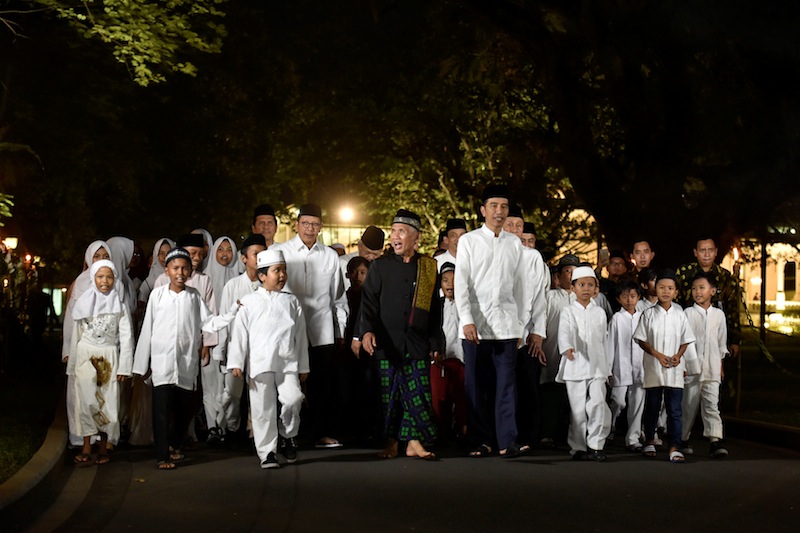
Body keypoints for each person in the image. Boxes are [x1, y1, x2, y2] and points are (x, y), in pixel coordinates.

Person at [454, 184, 530, 458]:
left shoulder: (514, 244)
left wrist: (521, 324)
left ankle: (507, 440)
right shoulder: (470, 241)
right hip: (476, 324)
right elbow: (461, 283)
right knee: (476, 386)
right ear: (483, 210)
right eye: (494, 206)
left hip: (508, 325)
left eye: (504, 207)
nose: (499, 212)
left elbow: (521, 288)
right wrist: (467, 319)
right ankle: (480, 440)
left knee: (507, 385)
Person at [360, 209, 442, 459]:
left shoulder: (428, 268)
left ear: (416, 238)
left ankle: (413, 442)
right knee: (390, 397)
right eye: (393, 231)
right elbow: (369, 303)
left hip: (416, 343)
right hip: (387, 343)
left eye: (401, 232)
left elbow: (436, 311)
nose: (395, 236)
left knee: (417, 393)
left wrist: (436, 341)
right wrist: (366, 332)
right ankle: (392, 441)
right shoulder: (380, 267)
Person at [227, 249, 309, 469]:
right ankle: (267, 453)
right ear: (262, 275)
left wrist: (303, 364)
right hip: (259, 362)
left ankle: (288, 435)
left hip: (287, 362)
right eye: (276, 271)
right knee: (262, 409)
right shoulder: (249, 301)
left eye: (284, 270)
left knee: (293, 399)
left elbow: (300, 336)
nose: (282, 275)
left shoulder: (292, 302)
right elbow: (240, 333)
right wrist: (236, 362)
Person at [133, 248, 214, 470]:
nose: (180, 272)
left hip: (186, 362)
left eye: (184, 268)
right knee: (160, 409)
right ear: (167, 270)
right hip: (162, 362)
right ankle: (162, 456)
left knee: (185, 407)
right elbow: (147, 328)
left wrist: (233, 314)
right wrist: (141, 365)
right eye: (175, 268)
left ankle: (174, 443)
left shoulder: (194, 296)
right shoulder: (157, 295)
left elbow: (209, 322)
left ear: (190, 271)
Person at [275, 203, 347, 448]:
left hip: (321, 328)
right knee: (288, 382)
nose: (309, 228)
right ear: (297, 225)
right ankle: (288, 435)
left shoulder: (329, 255)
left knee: (321, 384)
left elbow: (337, 296)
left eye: (314, 224)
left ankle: (319, 433)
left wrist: (340, 330)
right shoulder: (282, 252)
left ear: (321, 227)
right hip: (289, 328)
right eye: (305, 223)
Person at [67, 260, 134, 465]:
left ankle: (103, 446)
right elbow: (76, 335)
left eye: (109, 277)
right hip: (86, 357)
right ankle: (87, 446)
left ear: (114, 279)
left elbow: (127, 337)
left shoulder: (119, 306)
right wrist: (73, 365)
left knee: (107, 402)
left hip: (109, 357)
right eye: (100, 276)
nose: (104, 281)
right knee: (87, 401)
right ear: (93, 278)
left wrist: (124, 366)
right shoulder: (82, 304)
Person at [634, 269, 695, 463]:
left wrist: (678, 355)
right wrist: (657, 355)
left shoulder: (680, 314)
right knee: (652, 405)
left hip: (674, 369)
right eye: (661, 287)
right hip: (654, 367)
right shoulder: (648, 314)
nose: (666, 291)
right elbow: (641, 339)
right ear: (655, 289)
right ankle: (650, 440)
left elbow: (687, 338)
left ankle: (675, 446)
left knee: (674, 409)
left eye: (670, 288)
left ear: (676, 292)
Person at [213, 234, 267, 441]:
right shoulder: (233, 286)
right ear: (244, 258)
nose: (260, 258)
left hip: (260, 349)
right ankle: (231, 428)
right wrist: (221, 352)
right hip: (236, 348)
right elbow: (225, 319)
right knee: (232, 393)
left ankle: (255, 433)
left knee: (259, 393)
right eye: (256, 254)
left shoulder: (268, 285)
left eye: (264, 254)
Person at [556, 266, 611, 461]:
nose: (586, 288)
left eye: (590, 284)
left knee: (598, 403)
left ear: (596, 288)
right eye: (581, 285)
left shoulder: (600, 313)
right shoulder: (568, 311)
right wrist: (567, 346)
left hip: (597, 366)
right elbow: (565, 331)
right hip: (575, 364)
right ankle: (578, 446)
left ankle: (596, 444)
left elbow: (605, 341)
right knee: (577, 409)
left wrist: (607, 368)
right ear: (573, 288)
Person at [62, 240, 113, 448]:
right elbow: (70, 320)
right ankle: (79, 436)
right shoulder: (81, 283)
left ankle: (101, 439)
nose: (100, 261)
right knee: (80, 393)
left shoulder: (113, 282)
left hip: (105, 349)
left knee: (102, 395)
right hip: (82, 347)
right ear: (88, 258)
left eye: (105, 257)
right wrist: (67, 349)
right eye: (96, 257)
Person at [681, 272, 729, 458]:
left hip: (712, 368)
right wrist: (684, 367)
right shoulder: (688, 313)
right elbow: (683, 341)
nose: (697, 292)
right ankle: (682, 438)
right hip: (692, 369)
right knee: (689, 405)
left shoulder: (719, 315)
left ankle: (715, 440)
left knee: (711, 404)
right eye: (694, 288)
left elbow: (720, 342)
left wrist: (720, 367)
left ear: (712, 291)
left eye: (702, 288)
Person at [676, 237, 741, 361]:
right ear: (695, 252)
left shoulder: (724, 276)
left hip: (717, 333)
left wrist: (735, 340)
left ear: (716, 251)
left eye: (710, 250)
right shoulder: (684, 274)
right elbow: (676, 303)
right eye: (702, 250)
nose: (706, 254)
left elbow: (732, 308)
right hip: (689, 331)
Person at [538, 254, 580, 448]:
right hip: (552, 353)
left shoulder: (587, 302)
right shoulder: (550, 297)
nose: (571, 276)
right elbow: (540, 324)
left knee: (573, 397)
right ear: (559, 275)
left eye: (575, 272)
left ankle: (571, 436)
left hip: (578, 358)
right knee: (552, 394)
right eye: (567, 271)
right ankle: (547, 433)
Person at [430, 262, 467, 443]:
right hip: (440, 359)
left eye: (453, 280)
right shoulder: (436, 305)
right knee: (439, 397)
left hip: (461, 358)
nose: (449, 284)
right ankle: (440, 432)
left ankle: (463, 430)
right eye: (445, 280)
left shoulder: (466, 305)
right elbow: (431, 329)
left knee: (460, 396)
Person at [607, 280, 646, 452]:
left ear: (638, 297)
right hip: (620, 367)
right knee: (618, 401)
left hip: (640, 367)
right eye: (625, 297)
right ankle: (608, 427)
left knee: (637, 403)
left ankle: (633, 438)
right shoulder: (617, 318)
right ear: (619, 299)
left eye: (632, 296)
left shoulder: (643, 317)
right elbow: (610, 344)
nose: (629, 300)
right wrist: (608, 368)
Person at [338, 225, 385, 292]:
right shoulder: (343, 263)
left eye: (375, 254)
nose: (371, 257)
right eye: (367, 253)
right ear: (359, 246)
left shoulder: (383, 267)